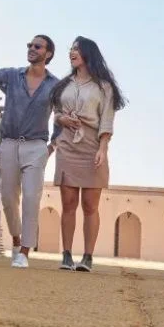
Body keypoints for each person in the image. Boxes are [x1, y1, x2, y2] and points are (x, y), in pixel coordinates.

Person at [0, 36, 60, 269]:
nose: (31, 48)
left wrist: (51, 146)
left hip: (36, 146)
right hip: (9, 143)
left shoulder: (55, 85)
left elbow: (61, 116)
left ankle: (25, 252)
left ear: (48, 54)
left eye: (37, 46)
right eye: (29, 45)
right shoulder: (12, 76)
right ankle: (17, 240)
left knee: (31, 197)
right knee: (8, 198)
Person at [50, 36, 126, 272]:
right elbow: (56, 113)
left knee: (90, 206)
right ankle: (66, 255)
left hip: (92, 146)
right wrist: (62, 119)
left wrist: (103, 148)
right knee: (68, 203)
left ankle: (88, 257)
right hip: (67, 145)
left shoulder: (104, 87)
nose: (72, 52)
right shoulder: (63, 85)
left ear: (88, 53)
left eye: (77, 49)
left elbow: (107, 120)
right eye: (71, 49)